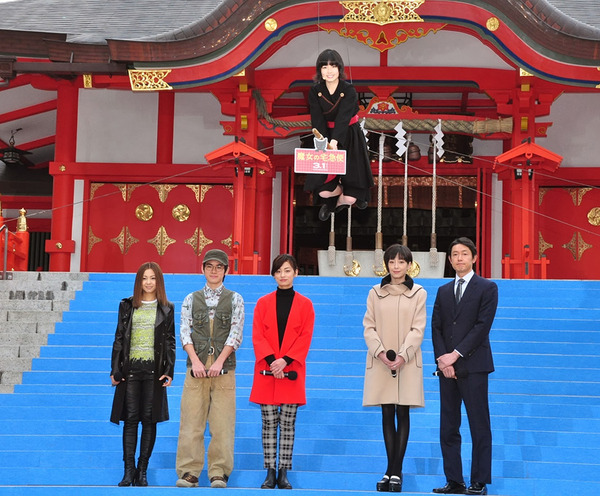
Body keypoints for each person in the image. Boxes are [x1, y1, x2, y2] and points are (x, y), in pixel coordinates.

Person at [431, 237, 498, 495]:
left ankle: (478, 482)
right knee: (448, 426)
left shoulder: (487, 288)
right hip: (446, 369)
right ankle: (454, 481)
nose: (459, 258)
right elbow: (437, 327)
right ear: (449, 260)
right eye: (455, 254)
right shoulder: (443, 291)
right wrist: (442, 359)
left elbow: (482, 327)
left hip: (474, 366)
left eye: (464, 254)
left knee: (479, 425)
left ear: (474, 257)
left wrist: (455, 355)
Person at [175, 249, 245, 489]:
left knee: (222, 423)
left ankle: (219, 472)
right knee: (191, 421)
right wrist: (194, 360)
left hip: (224, 368)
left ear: (226, 271)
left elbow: (236, 333)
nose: (214, 271)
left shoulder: (236, 299)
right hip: (195, 367)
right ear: (202, 269)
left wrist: (219, 362)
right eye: (210, 266)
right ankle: (189, 472)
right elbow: (185, 331)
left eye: (219, 267)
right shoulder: (190, 299)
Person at [362, 244, 427, 493]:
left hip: (407, 362)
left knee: (403, 413)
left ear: (409, 265)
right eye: (392, 262)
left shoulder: (419, 293)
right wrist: (379, 352)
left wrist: (402, 356)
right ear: (386, 264)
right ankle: (390, 470)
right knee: (386, 413)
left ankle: (396, 471)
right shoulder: (374, 293)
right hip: (381, 362)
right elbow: (369, 326)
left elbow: (418, 329)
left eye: (401, 262)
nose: (396, 266)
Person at [249, 254, 315, 490]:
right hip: (267, 370)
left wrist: (284, 361)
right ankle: (269, 472)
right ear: (273, 275)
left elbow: (305, 337)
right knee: (268, 423)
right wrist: (272, 361)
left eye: (287, 270)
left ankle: (284, 472)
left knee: (287, 423)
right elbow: (258, 335)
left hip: (292, 369)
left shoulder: (306, 304)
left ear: (296, 272)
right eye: (279, 271)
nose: (283, 275)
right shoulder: (262, 303)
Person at [110, 261, 176, 487]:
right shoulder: (127, 305)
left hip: (153, 371)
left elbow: (170, 341)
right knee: (130, 420)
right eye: (145, 278)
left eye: (153, 278)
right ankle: (128, 471)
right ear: (139, 281)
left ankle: (142, 471)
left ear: (159, 281)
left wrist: (169, 370)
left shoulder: (167, 308)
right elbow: (119, 337)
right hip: (130, 371)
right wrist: (115, 369)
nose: (148, 282)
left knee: (149, 420)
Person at [306, 48, 374, 221]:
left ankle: (335, 206)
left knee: (351, 197)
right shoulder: (315, 91)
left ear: (340, 69)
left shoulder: (349, 89)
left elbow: (344, 117)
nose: (329, 71)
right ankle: (333, 199)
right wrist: (323, 141)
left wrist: (335, 141)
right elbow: (317, 118)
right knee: (323, 190)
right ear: (319, 70)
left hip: (349, 135)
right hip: (325, 135)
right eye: (325, 67)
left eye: (333, 66)